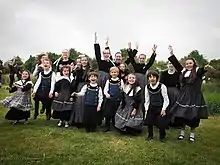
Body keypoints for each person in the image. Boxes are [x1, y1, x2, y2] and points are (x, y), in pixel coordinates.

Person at [168, 45, 213, 142]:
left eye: (190, 63)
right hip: (184, 96)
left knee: (194, 116)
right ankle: (182, 133)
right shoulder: (183, 71)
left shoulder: (197, 72)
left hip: (195, 97)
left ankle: (192, 134)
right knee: (182, 115)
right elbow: (176, 64)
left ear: (194, 64)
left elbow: (202, 69)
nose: (188, 65)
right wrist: (172, 53)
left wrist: (206, 67)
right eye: (187, 63)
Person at [144, 71, 169, 142]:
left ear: (157, 78)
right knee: (149, 122)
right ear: (148, 79)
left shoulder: (162, 86)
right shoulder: (147, 87)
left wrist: (164, 109)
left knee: (161, 124)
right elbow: (147, 99)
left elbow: (166, 99)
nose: (152, 79)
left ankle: (162, 137)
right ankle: (150, 136)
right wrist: (146, 110)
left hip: (160, 107)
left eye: (154, 77)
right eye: (150, 77)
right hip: (151, 107)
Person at [69, 55, 91, 127]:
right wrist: (73, 90)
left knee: (86, 104)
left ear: (87, 61)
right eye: (82, 60)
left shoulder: (90, 70)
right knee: (78, 104)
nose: (84, 62)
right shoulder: (77, 71)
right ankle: (78, 121)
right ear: (80, 62)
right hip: (79, 87)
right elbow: (75, 81)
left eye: (85, 60)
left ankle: (85, 121)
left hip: (88, 87)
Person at [103, 66, 124, 132]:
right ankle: (107, 126)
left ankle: (116, 125)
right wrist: (106, 94)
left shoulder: (120, 81)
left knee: (115, 113)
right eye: (112, 72)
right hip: (110, 100)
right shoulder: (108, 81)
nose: (114, 73)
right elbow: (105, 89)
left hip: (117, 100)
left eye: (115, 72)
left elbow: (123, 89)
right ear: (110, 73)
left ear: (118, 73)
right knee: (108, 113)